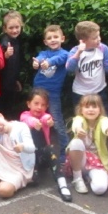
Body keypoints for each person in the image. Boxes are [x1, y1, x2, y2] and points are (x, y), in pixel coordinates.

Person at [20, 88, 72, 202]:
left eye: (43, 105)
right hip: (30, 157)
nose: (39, 107)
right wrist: (35, 123)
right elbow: (27, 120)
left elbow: (46, 118)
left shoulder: (46, 116)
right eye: (36, 103)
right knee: (34, 181)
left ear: (47, 106)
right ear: (28, 104)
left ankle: (62, 184)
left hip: (44, 155)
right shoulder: (24, 115)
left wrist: (49, 121)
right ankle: (31, 173)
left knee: (51, 149)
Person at [32, 24, 70, 161]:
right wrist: (36, 63)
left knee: (57, 122)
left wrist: (48, 62)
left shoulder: (65, 54)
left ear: (62, 38)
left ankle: (65, 152)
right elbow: (39, 58)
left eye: (55, 37)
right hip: (38, 93)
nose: (53, 40)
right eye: (49, 38)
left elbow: (58, 59)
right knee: (35, 122)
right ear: (45, 42)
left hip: (53, 94)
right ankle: (37, 152)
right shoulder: (44, 53)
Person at [66, 21, 108, 113]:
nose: (99, 39)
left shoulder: (103, 48)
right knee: (81, 118)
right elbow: (69, 68)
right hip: (80, 93)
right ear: (83, 41)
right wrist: (78, 53)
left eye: (99, 36)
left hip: (100, 91)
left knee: (103, 116)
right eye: (95, 38)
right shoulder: (75, 51)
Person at [66, 94, 108, 196]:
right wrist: (78, 129)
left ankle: (88, 176)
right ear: (81, 110)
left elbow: (106, 126)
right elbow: (76, 124)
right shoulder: (79, 119)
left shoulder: (103, 120)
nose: (91, 110)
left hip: (96, 162)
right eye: (87, 107)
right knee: (76, 142)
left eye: (94, 106)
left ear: (100, 109)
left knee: (100, 189)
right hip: (81, 161)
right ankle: (77, 178)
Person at [0, 11, 25, 119]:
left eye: (17, 27)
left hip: (11, 81)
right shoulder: (5, 41)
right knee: (4, 109)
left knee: (9, 108)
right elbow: (0, 59)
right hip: (3, 83)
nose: (14, 30)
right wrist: (6, 55)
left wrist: (16, 80)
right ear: (5, 29)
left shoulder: (16, 41)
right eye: (11, 28)